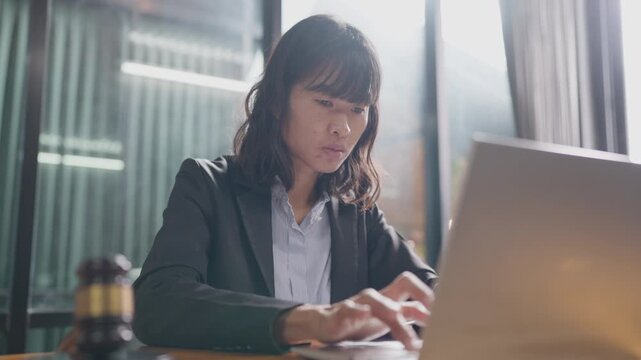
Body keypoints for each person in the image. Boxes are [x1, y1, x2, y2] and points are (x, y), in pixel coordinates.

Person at [132, 14, 438, 354]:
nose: (343, 128)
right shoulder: (207, 187)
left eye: (357, 108)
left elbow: (434, 296)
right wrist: (313, 320)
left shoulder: (360, 217)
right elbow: (156, 303)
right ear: (277, 101)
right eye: (325, 102)